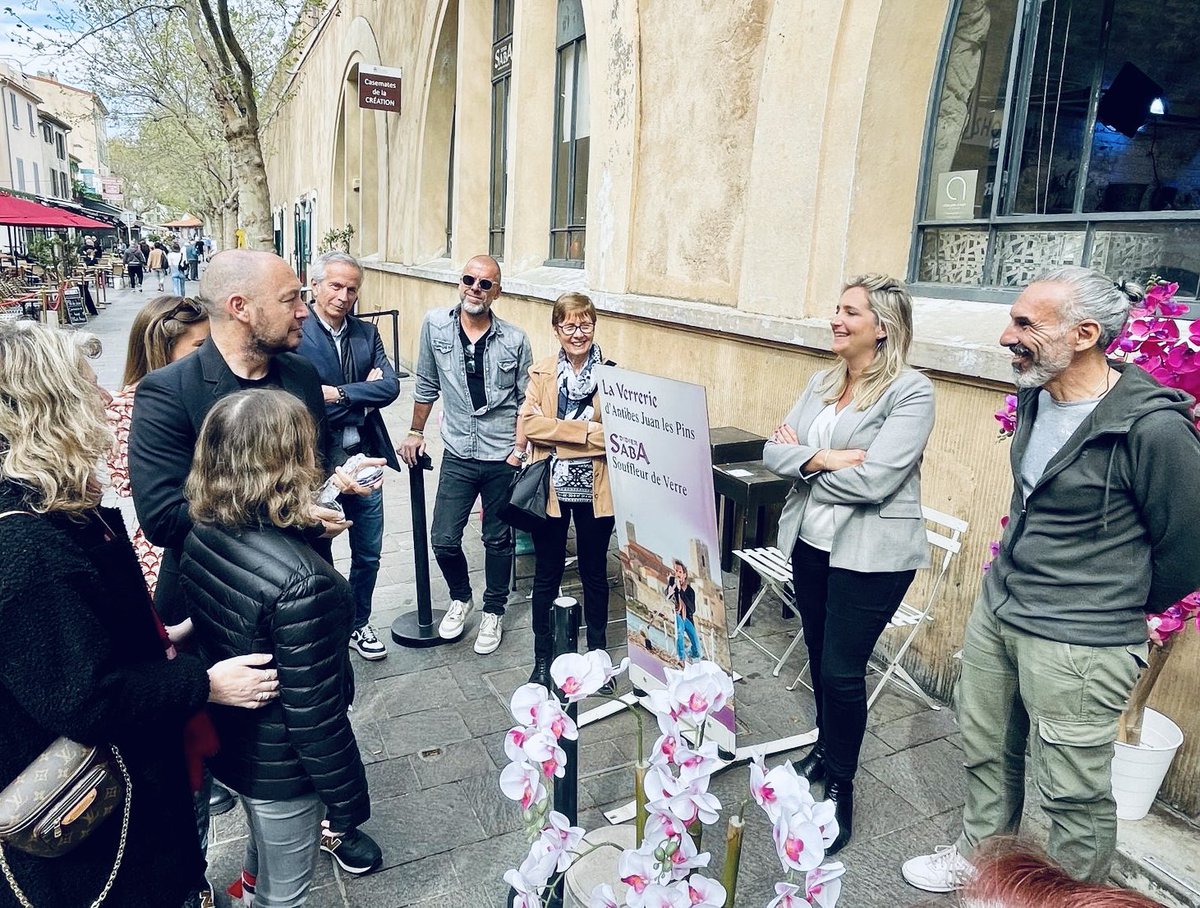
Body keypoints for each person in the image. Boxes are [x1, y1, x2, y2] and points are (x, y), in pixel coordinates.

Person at [903, 267, 1200, 892]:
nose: (1005, 333)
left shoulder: (1153, 429)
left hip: (1080, 639)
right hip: (1001, 608)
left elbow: (1189, 547)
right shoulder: (1038, 396)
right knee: (987, 749)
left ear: (1085, 334)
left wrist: (1111, 601)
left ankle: (1064, 900)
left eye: (1024, 323)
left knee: (1072, 792)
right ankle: (984, 861)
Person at [0, 321, 280, 908]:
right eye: (86, 385)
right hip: (97, 834)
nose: (105, 398)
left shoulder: (50, 505)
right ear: (45, 409)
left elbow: (81, 641)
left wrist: (161, 637)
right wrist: (204, 683)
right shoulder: (26, 548)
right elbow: (86, 699)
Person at [127, 249, 382, 875]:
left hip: (303, 598)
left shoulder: (297, 375)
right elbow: (163, 516)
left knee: (316, 712)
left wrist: (330, 487)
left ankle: (326, 823)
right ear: (240, 309)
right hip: (212, 607)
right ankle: (197, 875)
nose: (306, 309)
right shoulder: (168, 393)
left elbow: (305, 473)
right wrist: (288, 514)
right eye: (293, 298)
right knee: (214, 755)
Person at [182, 389, 377, 902]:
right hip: (281, 768)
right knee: (285, 894)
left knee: (260, 852)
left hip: (231, 742)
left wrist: (312, 536)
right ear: (289, 460)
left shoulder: (205, 528)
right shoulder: (306, 584)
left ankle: (244, 888)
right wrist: (348, 802)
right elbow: (315, 714)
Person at [763, 273, 934, 855]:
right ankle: (825, 747)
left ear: (882, 328)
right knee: (818, 657)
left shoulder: (911, 392)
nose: (836, 319)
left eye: (850, 312)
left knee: (841, 670)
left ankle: (841, 781)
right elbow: (771, 451)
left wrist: (805, 464)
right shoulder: (822, 380)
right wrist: (828, 458)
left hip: (872, 556)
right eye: (837, 309)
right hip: (811, 545)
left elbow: (880, 478)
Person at [399, 254, 532, 655]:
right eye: (469, 279)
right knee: (442, 538)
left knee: (497, 539)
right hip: (458, 449)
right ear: (460, 283)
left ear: (497, 292)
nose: (475, 287)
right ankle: (462, 597)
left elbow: (527, 399)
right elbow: (425, 381)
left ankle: (493, 610)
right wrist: (414, 430)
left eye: (485, 283)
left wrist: (519, 451)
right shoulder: (435, 325)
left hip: (501, 454)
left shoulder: (514, 339)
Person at [296, 251, 400, 662]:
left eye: (351, 288)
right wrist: (363, 395)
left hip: (365, 458)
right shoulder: (297, 332)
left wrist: (338, 393)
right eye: (336, 286)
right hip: (317, 461)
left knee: (368, 551)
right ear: (315, 284)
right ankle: (325, 628)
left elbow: (390, 387)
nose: (344, 295)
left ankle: (360, 622)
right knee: (317, 551)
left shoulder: (365, 333)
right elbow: (302, 402)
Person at [519, 292, 615, 688]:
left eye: (586, 324)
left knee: (595, 573)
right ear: (557, 329)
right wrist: (585, 433)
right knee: (547, 573)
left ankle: (598, 657)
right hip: (551, 488)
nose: (578, 333)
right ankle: (543, 658)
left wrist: (557, 433)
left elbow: (614, 437)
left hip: (597, 489)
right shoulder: (540, 372)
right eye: (570, 325)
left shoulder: (612, 374)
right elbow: (529, 425)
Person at [107, 295, 210, 596]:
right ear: (163, 349)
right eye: (201, 347)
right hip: (161, 547)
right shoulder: (129, 407)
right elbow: (139, 488)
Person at [665, 560, 701, 662]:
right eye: (676, 571)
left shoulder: (690, 591)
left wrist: (681, 591)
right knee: (679, 631)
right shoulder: (672, 585)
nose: (678, 574)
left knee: (698, 651)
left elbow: (692, 609)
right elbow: (667, 597)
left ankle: (688, 652)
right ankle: (681, 658)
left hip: (688, 618)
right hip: (677, 614)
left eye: (680, 572)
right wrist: (671, 589)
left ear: (684, 575)